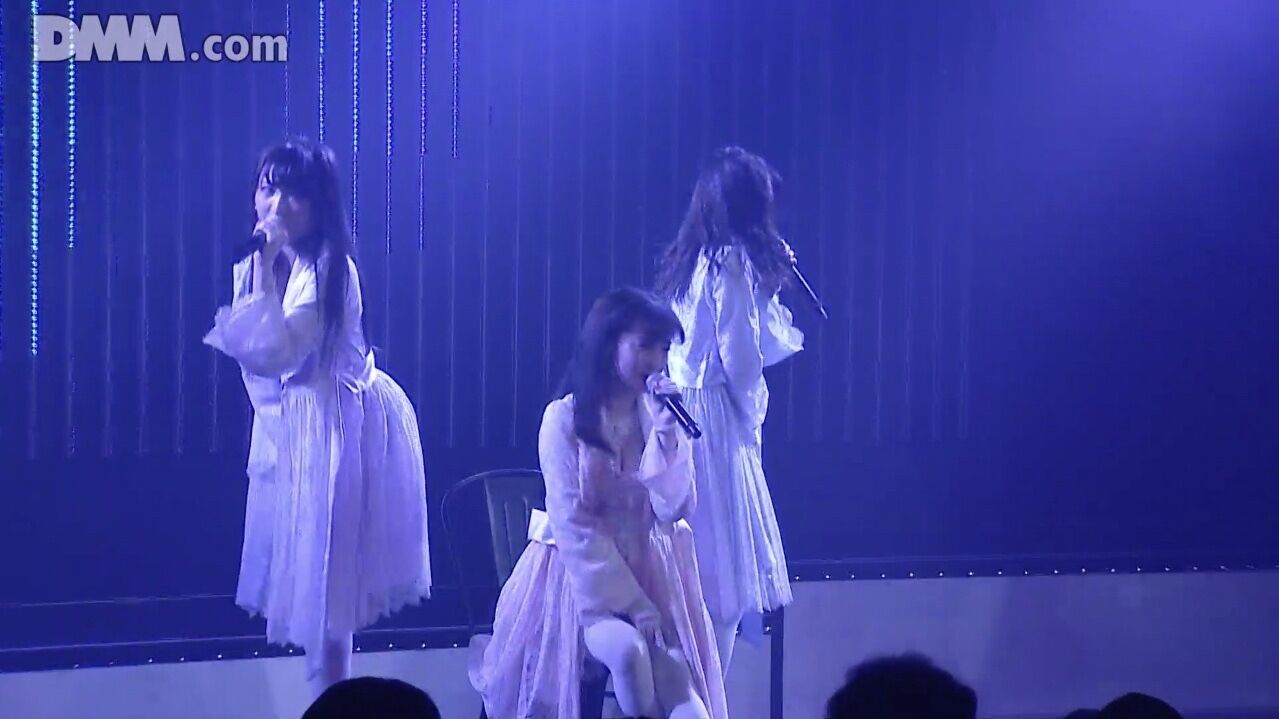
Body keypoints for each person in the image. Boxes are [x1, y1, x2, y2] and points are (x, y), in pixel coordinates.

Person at [204, 138, 432, 695]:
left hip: (339, 428)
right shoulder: (262, 263)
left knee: (330, 585)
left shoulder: (333, 268)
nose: (277, 205)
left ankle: (334, 698)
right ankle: (327, 696)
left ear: (319, 203)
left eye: (294, 194)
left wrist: (262, 265)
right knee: (312, 579)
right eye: (268, 189)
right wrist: (261, 265)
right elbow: (256, 364)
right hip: (295, 426)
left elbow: (277, 351)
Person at [468, 288, 728, 719]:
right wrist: (633, 603)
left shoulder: (656, 418)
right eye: (644, 345)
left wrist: (667, 436)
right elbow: (574, 524)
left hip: (648, 565)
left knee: (678, 690)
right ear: (609, 343)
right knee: (622, 658)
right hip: (574, 576)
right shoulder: (563, 419)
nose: (656, 360)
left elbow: (673, 510)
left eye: (664, 348)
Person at [654, 146, 805, 670]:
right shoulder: (731, 261)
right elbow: (740, 356)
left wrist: (766, 289)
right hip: (712, 420)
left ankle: (686, 694)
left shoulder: (689, 259)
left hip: (676, 413)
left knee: (687, 573)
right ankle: (709, 697)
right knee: (721, 582)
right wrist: (752, 415)